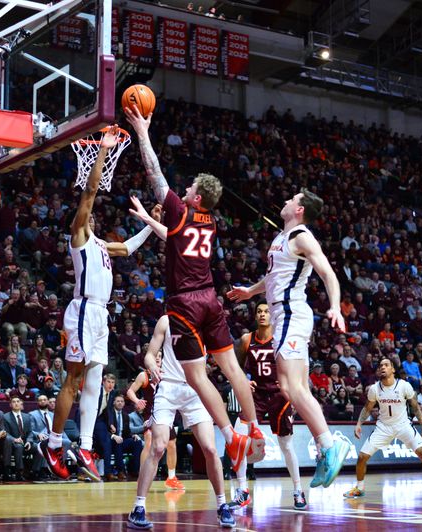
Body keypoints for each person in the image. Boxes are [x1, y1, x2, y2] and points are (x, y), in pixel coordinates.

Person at [125, 111, 263, 471]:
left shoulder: (180, 210)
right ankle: (254, 429)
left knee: (196, 376)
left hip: (184, 303)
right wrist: (147, 219)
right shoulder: (210, 222)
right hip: (210, 298)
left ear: (197, 197)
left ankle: (231, 438)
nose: (182, 190)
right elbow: (173, 239)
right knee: (233, 369)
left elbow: (154, 171)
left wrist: (142, 132)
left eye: (189, 189)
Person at [40, 126, 157, 482]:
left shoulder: (103, 245)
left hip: (100, 317)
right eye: (88, 215)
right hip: (82, 310)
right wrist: (104, 150)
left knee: (94, 384)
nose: (92, 217)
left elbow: (131, 248)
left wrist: (152, 224)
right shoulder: (78, 237)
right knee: (73, 382)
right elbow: (90, 191)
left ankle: (87, 448)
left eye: (92, 217)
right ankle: (54, 442)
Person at [226, 189, 349, 488]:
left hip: (292, 313)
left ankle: (331, 446)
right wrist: (251, 292)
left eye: (291, 199)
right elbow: (274, 278)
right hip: (286, 314)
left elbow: (328, 273)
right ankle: (326, 447)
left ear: (300, 209)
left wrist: (334, 305)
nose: (285, 201)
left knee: (290, 385)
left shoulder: (302, 237)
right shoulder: (281, 239)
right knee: (293, 386)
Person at [127, 315, 235, 529]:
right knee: (157, 447)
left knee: (211, 449)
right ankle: (138, 508)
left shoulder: (206, 322)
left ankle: (222, 506)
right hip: (168, 387)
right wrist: (152, 367)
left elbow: (224, 357)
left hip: (196, 388)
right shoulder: (166, 321)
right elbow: (149, 356)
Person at [233, 302, 305, 509]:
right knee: (238, 440)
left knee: (286, 445)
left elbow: (296, 365)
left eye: (267, 312)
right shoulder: (247, 340)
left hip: (279, 396)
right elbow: (235, 368)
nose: (263, 315)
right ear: (255, 316)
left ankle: (298, 490)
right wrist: (244, 380)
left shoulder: (281, 338)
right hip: (256, 396)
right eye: (260, 312)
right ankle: (242, 490)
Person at [344, 358, 422, 501]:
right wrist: (359, 423)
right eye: (380, 366)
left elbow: (415, 407)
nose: (382, 367)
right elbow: (367, 408)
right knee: (361, 457)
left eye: (386, 365)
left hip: (403, 425)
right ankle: (359, 488)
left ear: (393, 370)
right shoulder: (374, 389)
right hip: (383, 427)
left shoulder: (404, 386)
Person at [126, 353, 184, 491]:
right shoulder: (144, 375)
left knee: (171, 445)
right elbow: (130, 391)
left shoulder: (167, 373)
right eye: (155, 355)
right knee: (149, 441)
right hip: (150, 414)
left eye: (160, 355)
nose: (157, 358)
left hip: (166, 413)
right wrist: (137, 401)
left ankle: (171, 478)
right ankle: (142, 475)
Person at [107, 394, 143, 481]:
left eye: (122, 401)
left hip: (122, 440)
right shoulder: (109, 414)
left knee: (137, 442)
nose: (120, 403)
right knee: (118, 442)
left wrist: (133, 436)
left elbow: (127, 433)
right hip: (110, 440)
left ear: (124, 404)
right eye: (118, 401)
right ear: (113, 403)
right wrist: (114, 436)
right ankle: (121, 471)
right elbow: (105, 430)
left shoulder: (125, 415)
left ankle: (135, 470)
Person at [3, 397, 36, 481]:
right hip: (12, 442)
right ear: (10, 405)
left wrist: (29, 441)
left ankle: (37, 471)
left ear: (21, 404)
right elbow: (5, 432)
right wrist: (14, 439)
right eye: (14, 402)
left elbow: (30, 432)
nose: (16, 403)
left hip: (25, 442)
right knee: (19, 447)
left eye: (18, 401)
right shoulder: (5, 417)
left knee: (39, 447)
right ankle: (19, 472)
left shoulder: (27, 416)